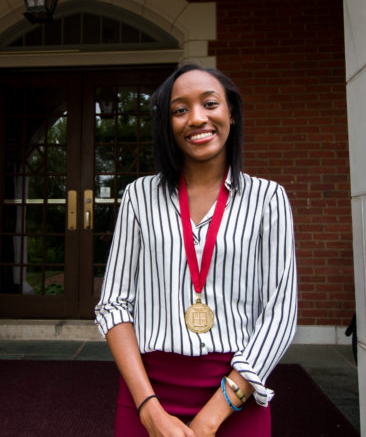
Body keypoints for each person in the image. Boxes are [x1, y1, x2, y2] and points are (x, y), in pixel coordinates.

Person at [95, 64, 298, 436]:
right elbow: (114, 305)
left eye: (209, 103)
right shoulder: (139, 197)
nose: (197, 118)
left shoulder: (269, 199)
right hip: (149, 391)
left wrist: (211, 418)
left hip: (238, 391)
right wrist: (149, 411)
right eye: (180, 109)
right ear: (167, 124)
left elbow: (279, 315)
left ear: (231, 113)